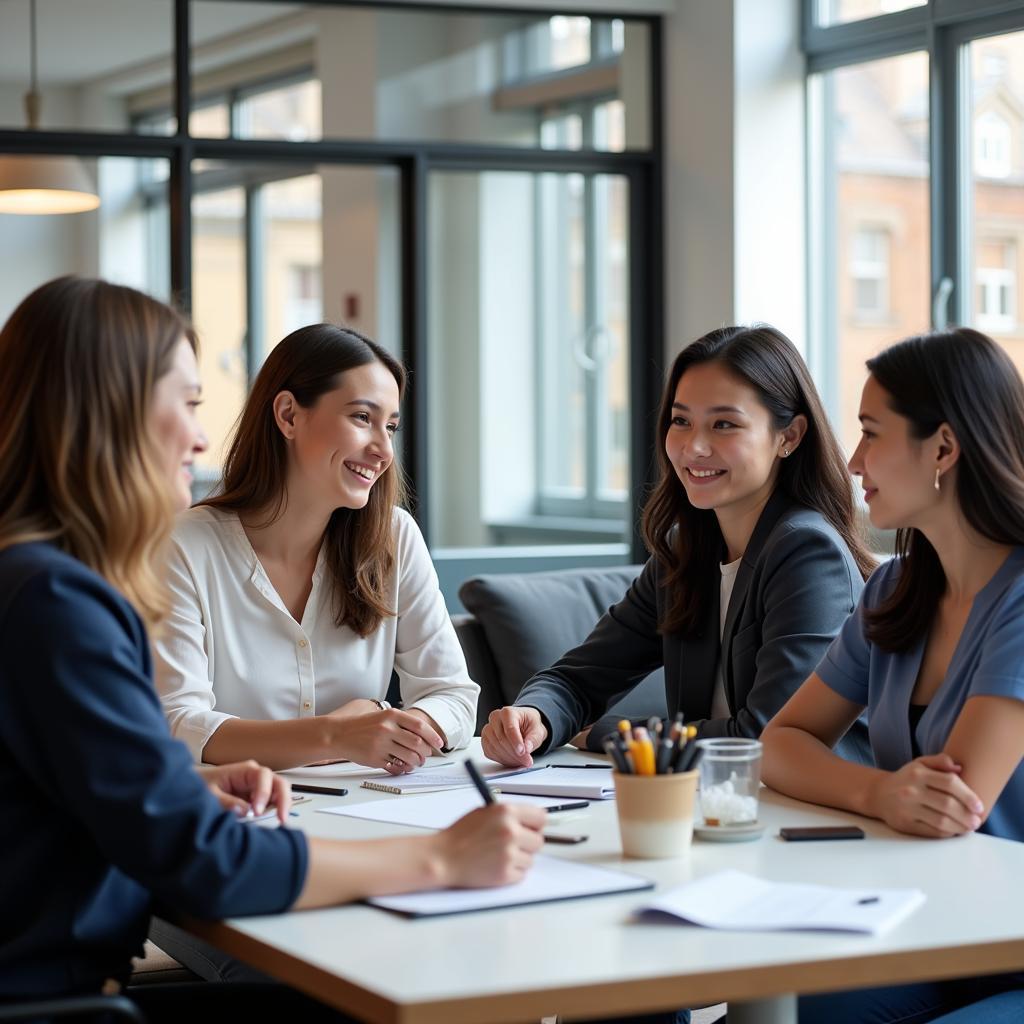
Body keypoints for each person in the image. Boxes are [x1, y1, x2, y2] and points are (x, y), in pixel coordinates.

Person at [0, 277, 544, 1017]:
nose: (198, 437)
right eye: (186, 404)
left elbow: (67, 785)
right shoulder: (59, 601)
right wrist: (444, 856)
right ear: (109, 409)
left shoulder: (31, 580)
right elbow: (203, 860)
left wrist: (180, 788)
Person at [761, 327, 1024, 1024]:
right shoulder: (896, 589)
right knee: (798, 1010)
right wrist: (879, 792)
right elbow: (781, 744)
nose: (852, 461)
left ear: (942, 448)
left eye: (872, 433)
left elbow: (950, 807)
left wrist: (882, 797)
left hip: (1005, 943)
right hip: (938, 930)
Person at [482, 324, 874, 769]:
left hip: (813, 820)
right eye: (681, 421)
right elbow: (580, 677)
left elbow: (764, 737)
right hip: (719, 806)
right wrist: (537, 715)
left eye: (724, 424)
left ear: (789, 436)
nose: (694, 447)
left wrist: (614, 733)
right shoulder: (687, 552)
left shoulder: (806, 551)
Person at [153, 323, 478, 774]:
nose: (383, 450)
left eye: (391, 426)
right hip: (242, 816)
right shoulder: (184, 547)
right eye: (362, 418)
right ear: (288, 415)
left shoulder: (395, 537)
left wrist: (397, 731)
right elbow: (179, 724)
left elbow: (453, 695)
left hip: (368, 809)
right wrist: (339, 735)